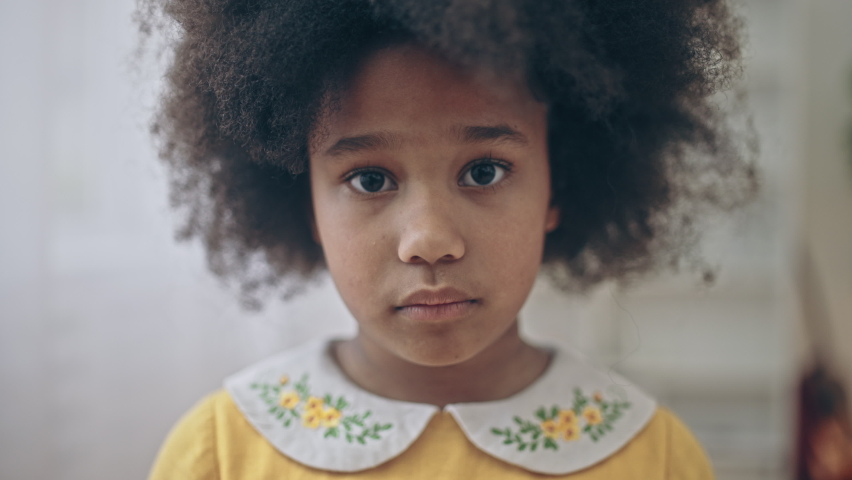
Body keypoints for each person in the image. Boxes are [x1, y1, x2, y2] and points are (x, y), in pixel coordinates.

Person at [141, 0, 755, 478]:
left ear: (559, 185)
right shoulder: (219, 454)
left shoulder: (655, 459)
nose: (429, 240)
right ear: (303, 203)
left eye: (483, 171)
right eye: (370, 178)